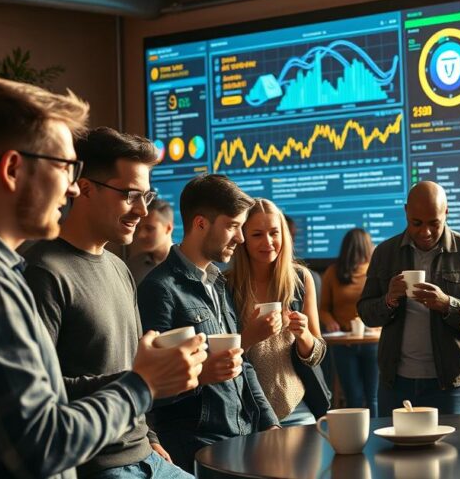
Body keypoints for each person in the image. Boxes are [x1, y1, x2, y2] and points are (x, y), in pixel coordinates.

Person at [0, 77, 205, 478]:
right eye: (65, 168)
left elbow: (46, 396)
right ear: (13, 168)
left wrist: (146, 376)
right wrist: (141, 385)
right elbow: (43, 445)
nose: (71, 189)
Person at [22, 127, 191, 478]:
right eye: (130, 195)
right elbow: (42, 393)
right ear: (84, 189)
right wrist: (143, 380)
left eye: (147, 196)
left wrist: (150, 436)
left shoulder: (120, 267)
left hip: (145, 453)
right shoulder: (43, 272)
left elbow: (133, 362)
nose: (142, 210)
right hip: (96, 464)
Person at [138, 174, 280, 471]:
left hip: (241, 439)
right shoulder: (160, 289)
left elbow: (242, 364)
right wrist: (200, 375)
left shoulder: (218, 283)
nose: (241, 238)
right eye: (232, 226)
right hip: (195, 449)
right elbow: (150, 386)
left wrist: (270, 424)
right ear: (201, 223)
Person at [358, 182, 460, 415]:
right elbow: (366, 313)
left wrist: (447, 305)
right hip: (395, 382)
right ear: (406, 212)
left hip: (451, 382)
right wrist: (388, 300)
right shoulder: (385, 253)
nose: (425, 232)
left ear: (446, 213)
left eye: (434, 223)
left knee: (451, 440)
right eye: (416, 223)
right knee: (393, 440)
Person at [226, 198, 329, 427]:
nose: (268, 242)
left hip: (299, 407)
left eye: (274, 233)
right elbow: (223, 357)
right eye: (257, 235)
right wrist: (251, 335)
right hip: (247, 413)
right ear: (242, 238)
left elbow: (318, 353)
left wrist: (303, 335)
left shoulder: (300, 279)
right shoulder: (226, 286)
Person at [321, 228, 380, 413]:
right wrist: (330, 321)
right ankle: (355, 431)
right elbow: (323, 309)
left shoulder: (376, 271)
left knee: (374, 397)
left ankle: (376, 430)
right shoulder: (333, 272)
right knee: (353, 397)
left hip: (373, 342)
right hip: (344, 343)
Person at [126, 198, 174, 285]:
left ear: (168, 228)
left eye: (149, 228)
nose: (141, 235)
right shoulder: (133, 267)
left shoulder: (188, 264)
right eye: (138, 228)